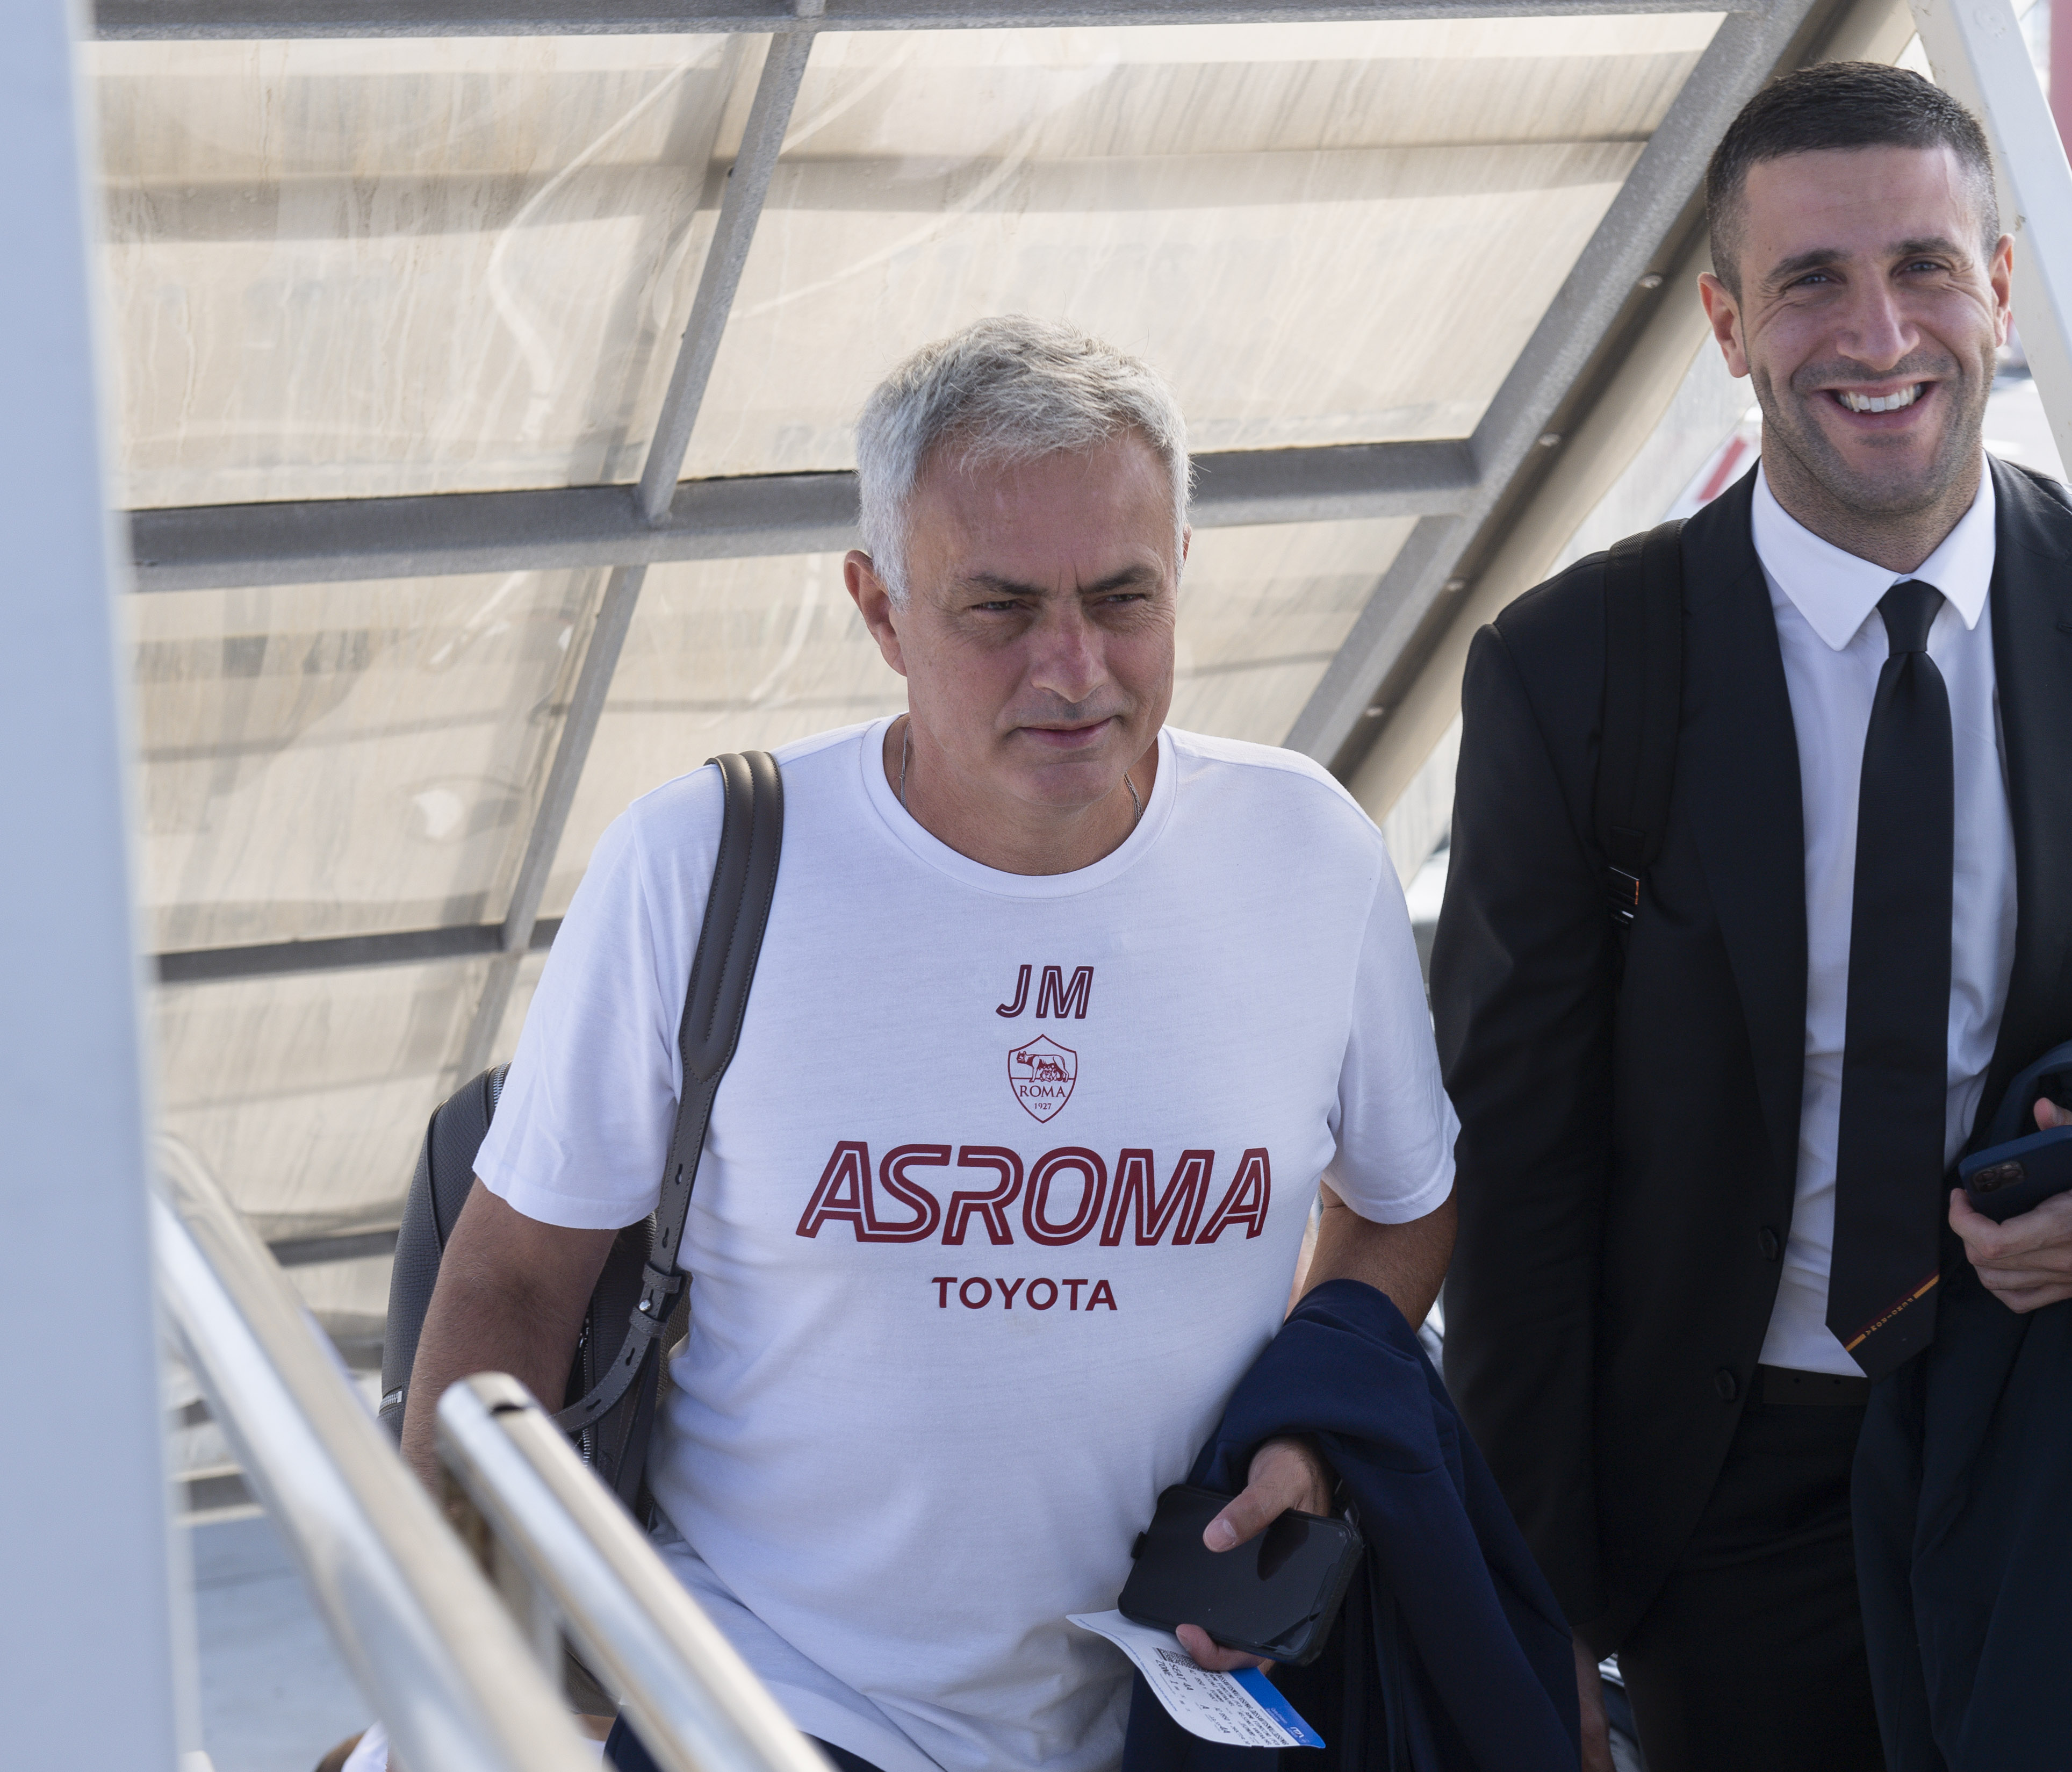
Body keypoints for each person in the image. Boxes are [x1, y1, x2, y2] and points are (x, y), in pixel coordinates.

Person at [1430, 61, 2072, 1772]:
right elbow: (1516, 1166)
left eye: (1925, 267)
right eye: (1809, 281)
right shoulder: (1576, 670)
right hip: (1725, 1485)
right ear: (1727, 322)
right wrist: (1531, 1597)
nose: (1878, 332)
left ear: (2000, 286)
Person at [400, 315, 1459, 1772]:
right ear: (881, 609)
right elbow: (513, 1277)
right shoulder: (702, 862)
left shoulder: (1308, 853)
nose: (1074, 664)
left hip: (1166, 1710)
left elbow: (1401, 1205)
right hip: (766, 1702)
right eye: (1001, 607)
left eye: (1122, 595)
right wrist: (477, 1686)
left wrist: (1309, 1432)